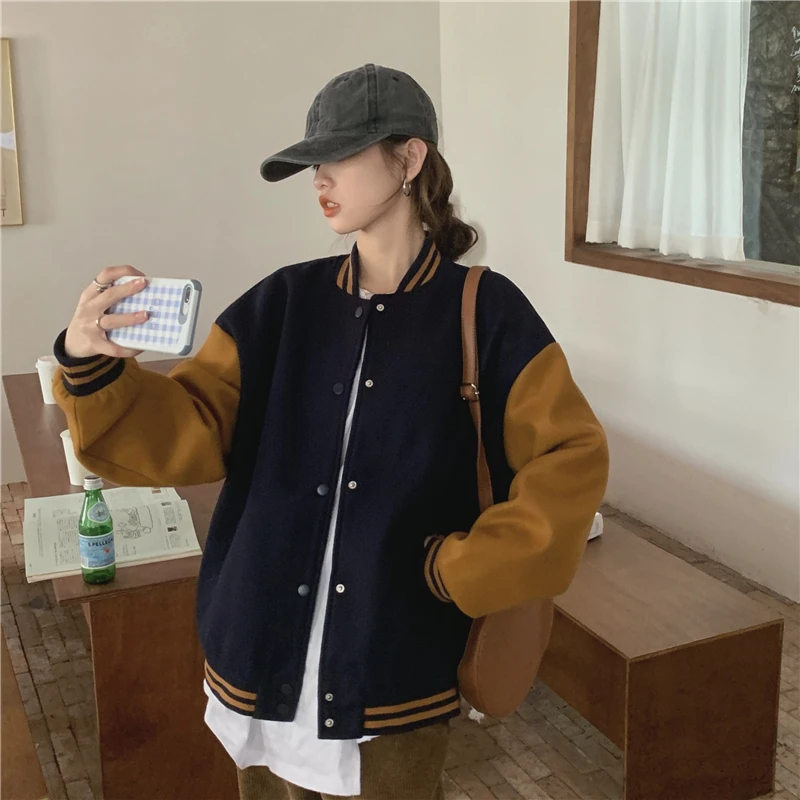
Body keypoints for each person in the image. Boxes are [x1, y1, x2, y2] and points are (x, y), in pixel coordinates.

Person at [52, 64, 609, 800]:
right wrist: (89, 364)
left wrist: (466, 570)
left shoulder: (488, 312)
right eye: (313, 163)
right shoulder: (282, 303)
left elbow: (570, 458)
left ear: (409, 159)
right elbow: (192, 429)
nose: (319, 178)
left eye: (340, 155)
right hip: (259, 650)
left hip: (392, 665)